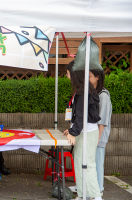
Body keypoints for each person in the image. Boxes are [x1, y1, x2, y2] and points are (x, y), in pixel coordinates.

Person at [63, 69, 102, 200]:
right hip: (83, 131)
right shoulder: (82, 89)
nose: (66, 75)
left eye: (67, 73)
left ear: (74, 74)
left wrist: (73, 132)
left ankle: (96, 196)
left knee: (87, 164)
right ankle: (83, 194)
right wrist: (72, 130)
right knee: (79, 163)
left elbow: (81, 116)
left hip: (88, 132)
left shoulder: (84, 91)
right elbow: (79, 116)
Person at [89, 69, 112, 196]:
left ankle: (99, 190)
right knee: (92, 162)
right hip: (94, 135)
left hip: (99, 135)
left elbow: (102, 121)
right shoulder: (94, 93)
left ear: (97, 77)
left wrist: (96, 139)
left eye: (89, 76)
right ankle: (93, 189)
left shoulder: (103, 95)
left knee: (97, 163)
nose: (87, 79)